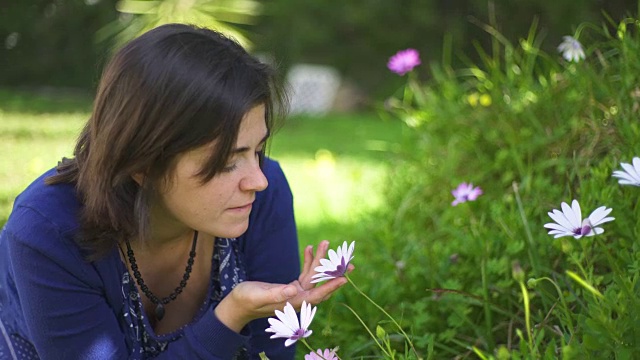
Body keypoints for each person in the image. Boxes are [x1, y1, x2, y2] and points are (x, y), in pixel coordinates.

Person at [0, 23, 347, 359]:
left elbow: (270, 354)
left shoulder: (262, 199)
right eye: (227, 162)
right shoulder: (49, 233)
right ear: (143, 163)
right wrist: (229, 316)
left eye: (257, 150)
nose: (258, 181)